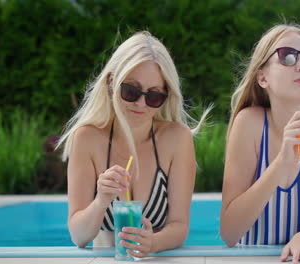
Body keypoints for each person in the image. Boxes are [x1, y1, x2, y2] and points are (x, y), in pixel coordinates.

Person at [57, 31, 208, 258]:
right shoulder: (87, 138)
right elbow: (78, 236)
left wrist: (153, 243)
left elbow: (179, 226)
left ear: (166, 96)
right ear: (111, 83)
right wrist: (101, 201)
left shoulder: (177, 138)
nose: (141, 103)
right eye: (131, 91)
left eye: (154, 96)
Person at [220, 23, 300, 264]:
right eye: (287, 56)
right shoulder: (250, 123)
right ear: (262, 78)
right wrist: (281, 163)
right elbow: (229, 233)